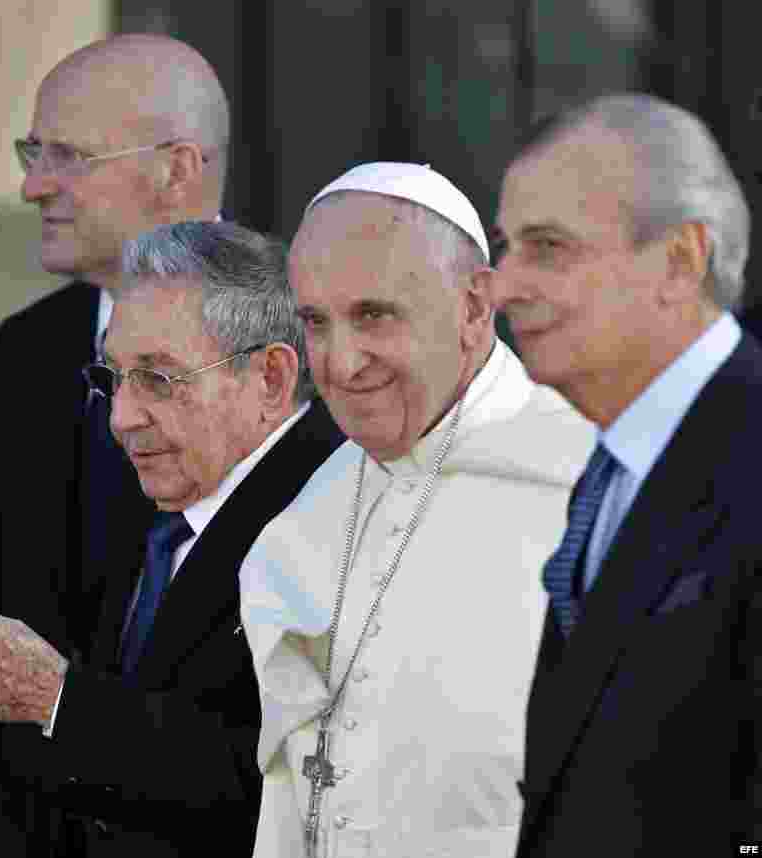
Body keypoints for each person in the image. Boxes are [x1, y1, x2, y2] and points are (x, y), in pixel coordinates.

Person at [0, 221, 344, 856]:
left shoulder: (336, 516)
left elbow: (282, 786)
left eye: (158, 379)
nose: (122, 418)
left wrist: (59, 700)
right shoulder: (157, 501)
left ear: (270, 378)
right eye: (114, 377)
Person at [0, 34, 235, 855]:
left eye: (67, 155)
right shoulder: (30, 351)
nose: (33, 186)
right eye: (34, 152)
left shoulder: (301, 347)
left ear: (178, 169)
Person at [238, 162, 594, 858]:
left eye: (373, 315)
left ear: (472, 309)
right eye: (316, 322)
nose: (340, 364)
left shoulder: (581, 482)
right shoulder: (308, 507)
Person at [490, 94, 762, 855]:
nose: (503, 286)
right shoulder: (614, 467)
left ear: (680, 261)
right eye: (506, 245)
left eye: (547, 247)